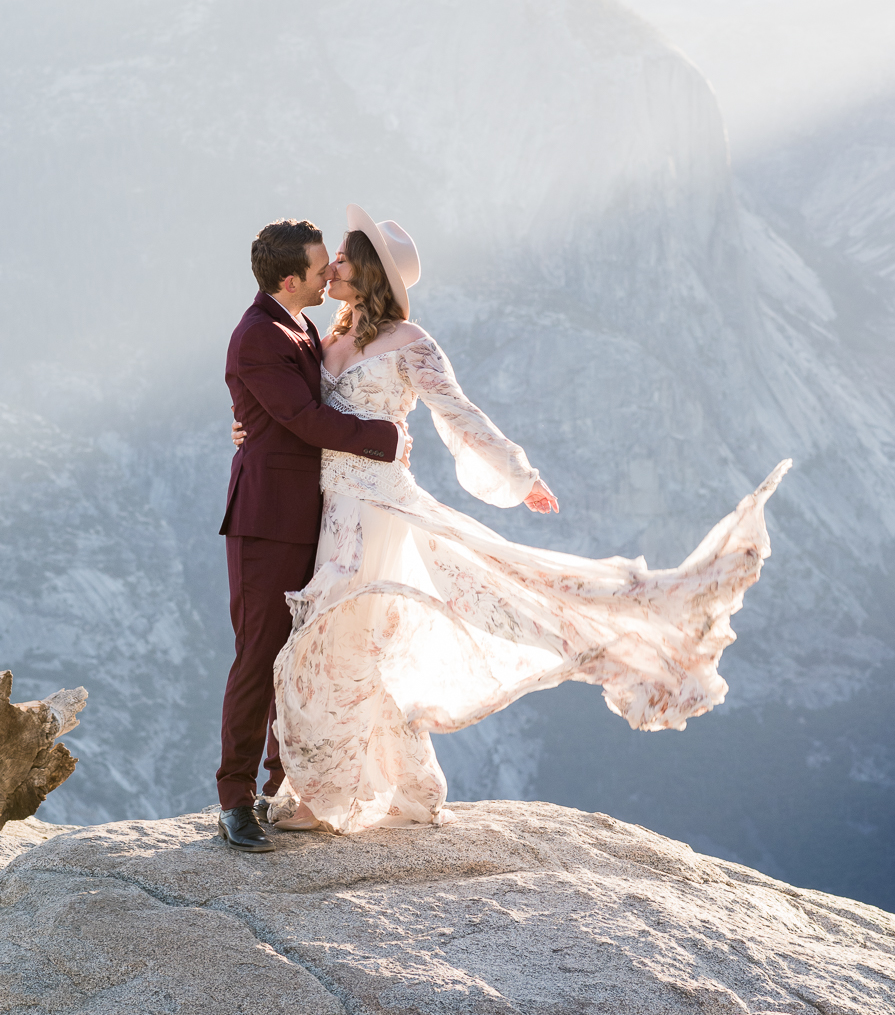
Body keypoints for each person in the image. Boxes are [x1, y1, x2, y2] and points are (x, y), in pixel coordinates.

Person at [233, 205, 790, 835]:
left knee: (337, 640)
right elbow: (291, 410)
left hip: (380, 510)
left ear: (366, 273)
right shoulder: (323, 341)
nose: (329, 266)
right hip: (332, 509)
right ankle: (378, 783)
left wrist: (520, 476)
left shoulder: (412, 345)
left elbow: (458, 414)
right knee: (340, 646)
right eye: (326, 258)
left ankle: (321, 797)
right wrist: (247, 430)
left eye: (341, 257)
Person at [214, 218, 412, 852]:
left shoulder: (301, 326)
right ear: (289, 277)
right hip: (267, 524)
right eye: (322, 265)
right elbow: (302, 417)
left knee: (301, 663)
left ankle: (285, 786)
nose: (332, 273)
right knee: (257, 659)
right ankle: (234, 799)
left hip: (319, 523)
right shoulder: (257, 336)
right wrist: (387, 441)